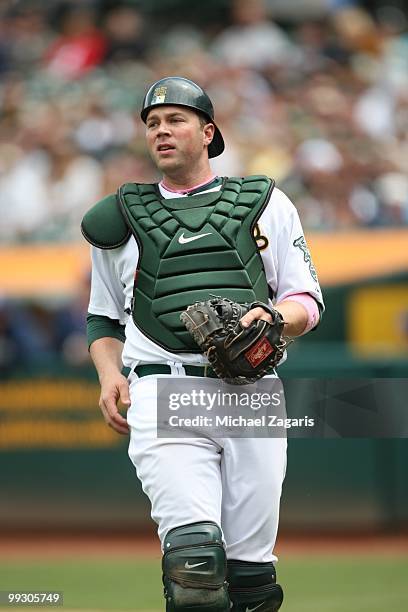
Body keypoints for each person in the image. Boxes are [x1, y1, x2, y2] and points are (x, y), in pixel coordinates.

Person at [81, 76, 324, 611]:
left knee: (251, 575)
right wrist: (108, 373)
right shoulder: (120, 218)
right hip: (164, 390)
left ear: (207, 130)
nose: (161, 132)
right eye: (152, 124)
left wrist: (272, 318)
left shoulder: (264, 202)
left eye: (175, 120)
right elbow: (102, 319)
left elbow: (308, 301)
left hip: (251, 390)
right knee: (194, 565)